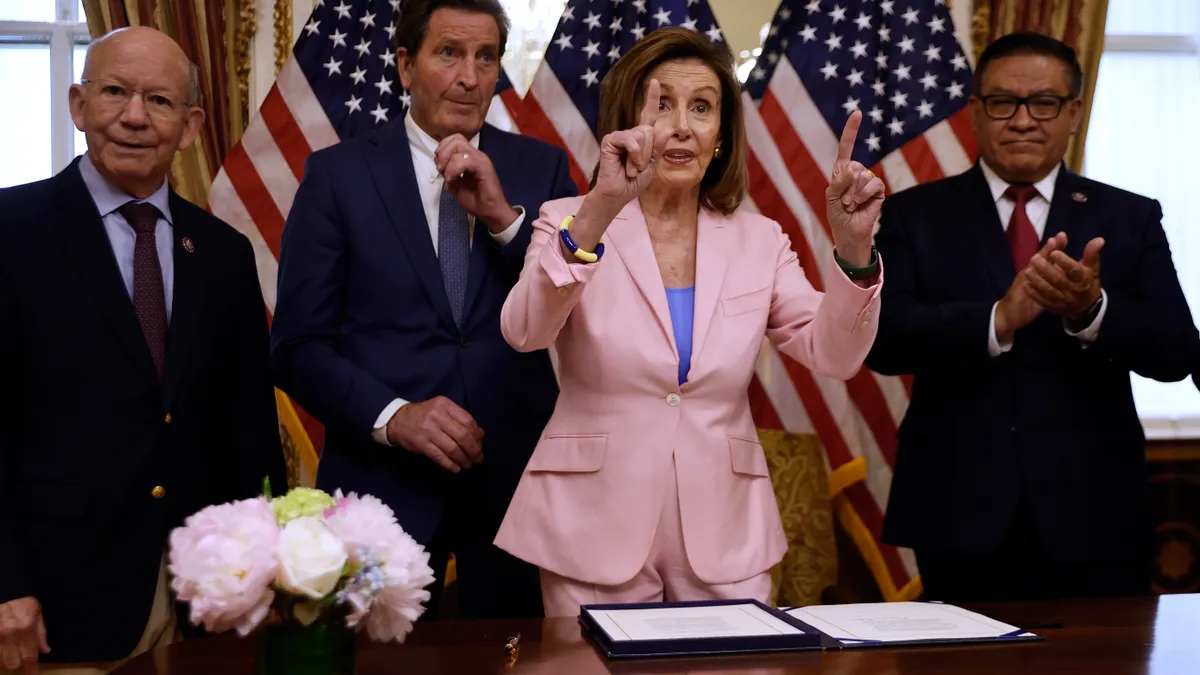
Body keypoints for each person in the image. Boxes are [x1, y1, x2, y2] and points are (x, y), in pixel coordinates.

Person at [492, 27, 884, 617]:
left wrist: (853, 251)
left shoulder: (760, 239)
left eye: (701, 107)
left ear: (721, 135)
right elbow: (525, 331)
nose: (680, 126)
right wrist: (600, 205)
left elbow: (835, 356)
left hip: (725, 533)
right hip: (592, 524)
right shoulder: (569, 218)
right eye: (662, 104)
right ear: (625, 122)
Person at [270, 0, 577, 620]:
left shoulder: (538, 168)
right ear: (406, 66)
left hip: (512, 490)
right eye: (449, 53)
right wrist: (395, 415)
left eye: (485, 57)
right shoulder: (337, 176)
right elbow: (298, 348)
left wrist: (504, 223)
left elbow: (570, 313)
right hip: (382, 488)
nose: (469, 76)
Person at [867, 32, 1200, 602]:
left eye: (1043, 103)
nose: (1023, 120)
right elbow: (884, 341)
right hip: (958, 510)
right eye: (1003, 103)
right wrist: (997, 317)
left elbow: (1177, 354)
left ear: (1073, 113)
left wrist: (1091, 312)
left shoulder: (1129, 217)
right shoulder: (913, 214)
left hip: (1096, 511)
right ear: (975, 111)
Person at [0, 26, 286, 675]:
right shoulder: (11, 234)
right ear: (79, 105)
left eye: (157, 100)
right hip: (53, 601)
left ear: (189, 126)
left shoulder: (222, 253)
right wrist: (5, 582)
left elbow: (249, 429)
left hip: (203, 599)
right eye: (114, 92)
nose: (134, 115)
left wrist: (267, 567)